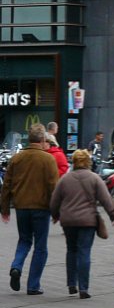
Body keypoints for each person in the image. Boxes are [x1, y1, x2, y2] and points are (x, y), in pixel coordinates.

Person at [49, 149, 114, 299]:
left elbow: (54, 200)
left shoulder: (65, 179)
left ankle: (71, 284)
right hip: (87, 221)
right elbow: (106, 199)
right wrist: (113, 214)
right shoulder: (94, 178)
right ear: (88, 162)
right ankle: (83, 288)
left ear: (74, 162)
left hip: (68, 221)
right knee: (84, 252)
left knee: (71, 250)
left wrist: (55, 215)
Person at [1, 123, 59, 295]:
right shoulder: (48, 159)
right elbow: (53, 187)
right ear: (42, 139)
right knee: (41, 246)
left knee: (24, 240)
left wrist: (4, 208)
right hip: (41, 208)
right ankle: (33, 285)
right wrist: (56, 211)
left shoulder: (17, 158)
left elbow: (6, 185)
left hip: (21, 207)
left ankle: (16, 266)